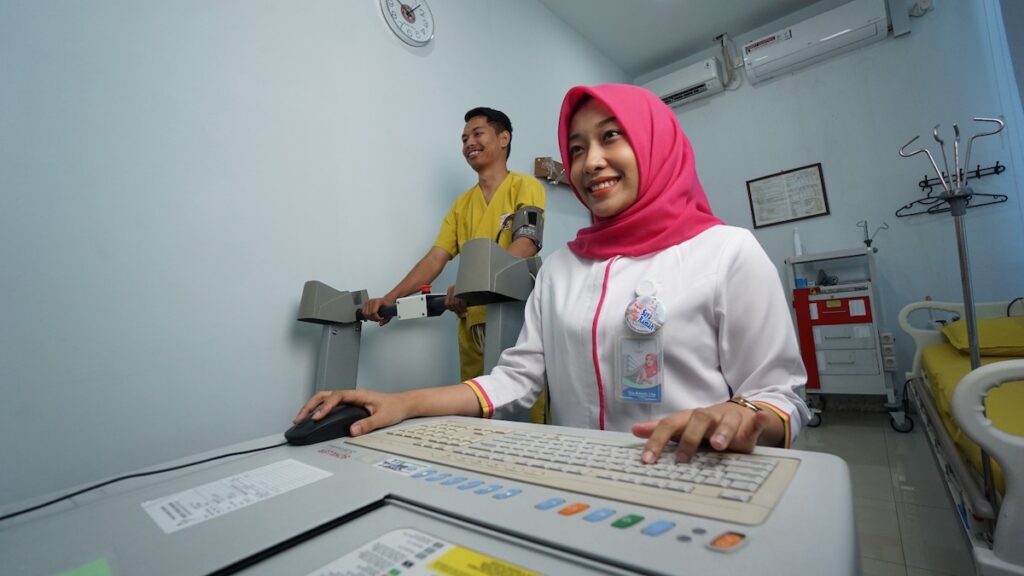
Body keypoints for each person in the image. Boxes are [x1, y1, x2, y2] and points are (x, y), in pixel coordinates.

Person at [297, 84, 809, 464]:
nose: (592, 162)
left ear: (655, 144)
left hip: (691, 472)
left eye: (611, 137)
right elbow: (513, 379)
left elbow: (777, 396)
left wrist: (745, 417)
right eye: (578, 149)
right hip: (578, 476)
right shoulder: (564, 269)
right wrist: (401, 402)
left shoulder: (726, 252)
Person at [361, 107, 546, 387]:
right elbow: (436, 257)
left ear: (503, 138)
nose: (468, 143)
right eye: (463, 139)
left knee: (522, 409)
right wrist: (390, 298)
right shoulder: (461, 205)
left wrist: (474, 286)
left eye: (477, 133)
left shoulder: (524, 186)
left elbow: (526, 243)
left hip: (516, 319)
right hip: (470, 321)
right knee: (477, 410)